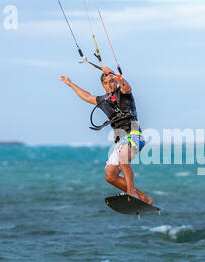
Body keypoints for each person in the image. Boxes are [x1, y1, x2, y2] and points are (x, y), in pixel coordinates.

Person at [60, 67, 153, 205]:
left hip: (134, 135)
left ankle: (131, 193)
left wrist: (115, 75)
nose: (110, 84)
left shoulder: (123, 93)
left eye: (112, 81)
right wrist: (70, 83)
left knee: (123, 160)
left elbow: (126, 87)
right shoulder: (102, 100)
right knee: (110, 176)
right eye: (107, 82)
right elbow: (87, 96)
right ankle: (144, 198)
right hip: (121, 141)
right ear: (103, 85)